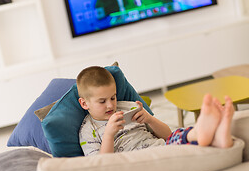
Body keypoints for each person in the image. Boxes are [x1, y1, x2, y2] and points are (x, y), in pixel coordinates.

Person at [77, 66, 234, 156]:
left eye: (113, 97)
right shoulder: (88, 130)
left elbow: (166, 134)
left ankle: (212, 137)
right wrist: (109, 135)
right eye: (102, 101)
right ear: (84, 103)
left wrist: (149, 119)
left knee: (176, 136)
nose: (111, 105)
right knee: (182, 148)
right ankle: (201, 133)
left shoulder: (127, 107)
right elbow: (100, 166)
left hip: (159, 146)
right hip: (138, 160)